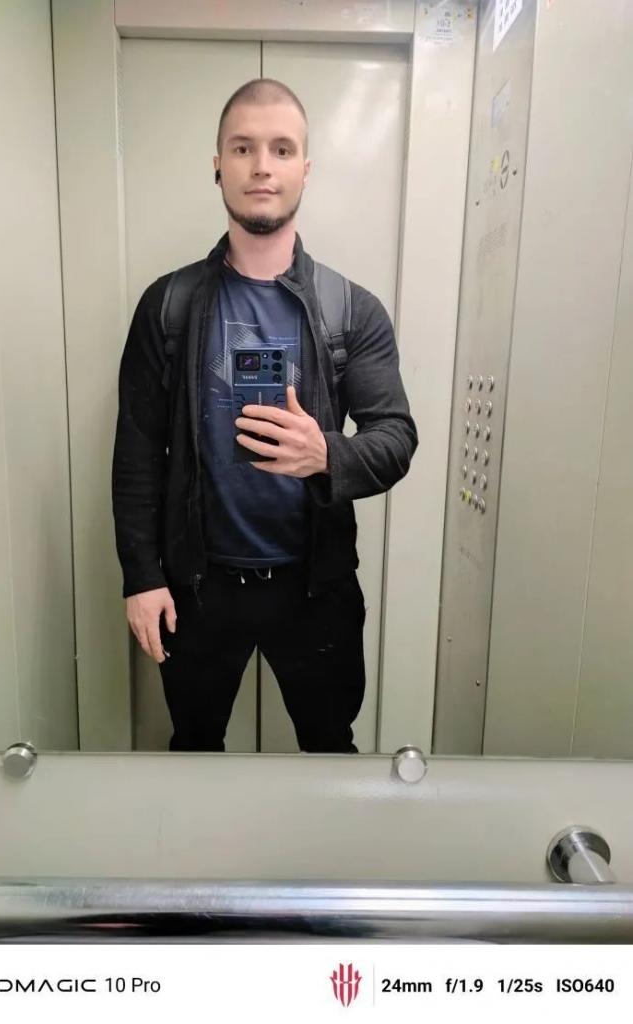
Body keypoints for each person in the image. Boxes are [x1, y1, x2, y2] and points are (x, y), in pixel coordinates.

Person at [112, 78, 418, 753]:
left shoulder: (351, 310)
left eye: (281, 149)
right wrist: (143, 576)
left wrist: (327, 454)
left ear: (305, 168)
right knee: (195, 746)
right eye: (243, 147)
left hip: (315, 588)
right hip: (197, 588)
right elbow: (137, 455)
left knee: (329, 747)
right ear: (217, 163)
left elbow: (396, 438)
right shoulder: (167, 307)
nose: (261, 166)